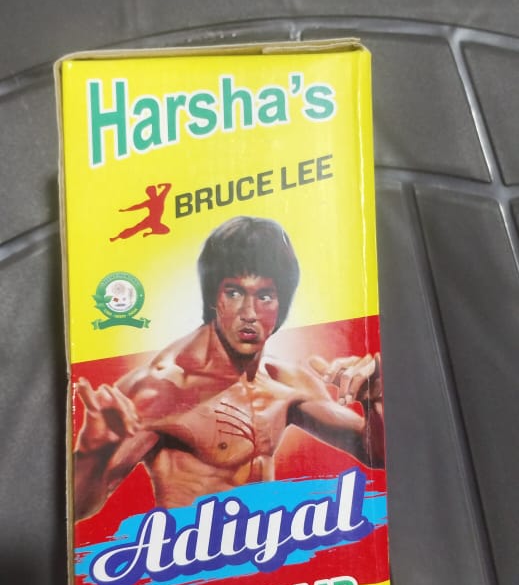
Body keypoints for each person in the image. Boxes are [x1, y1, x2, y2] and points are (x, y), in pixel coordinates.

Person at [74, 216, 384, 521]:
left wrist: (377, 400)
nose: (249, 313)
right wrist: (93, 454)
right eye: (234, 292)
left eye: (265, 296)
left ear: (281, 305)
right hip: (191, 553)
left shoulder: (288, 383)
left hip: (269, 549)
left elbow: (376, 454)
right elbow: (76, 507)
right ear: (213, 297)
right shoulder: (162, 389)